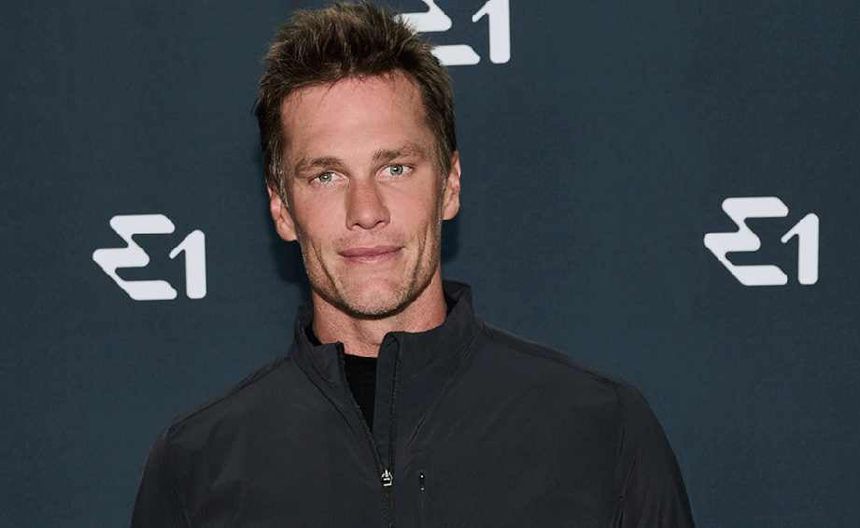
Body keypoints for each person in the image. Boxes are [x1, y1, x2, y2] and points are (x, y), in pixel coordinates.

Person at [130, 2, 695, 526]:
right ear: (282, 208)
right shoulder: (197, 468)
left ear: (449, 184)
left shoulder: (602, 429)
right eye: (326, 176)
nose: (366, 211)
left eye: (395, 168)